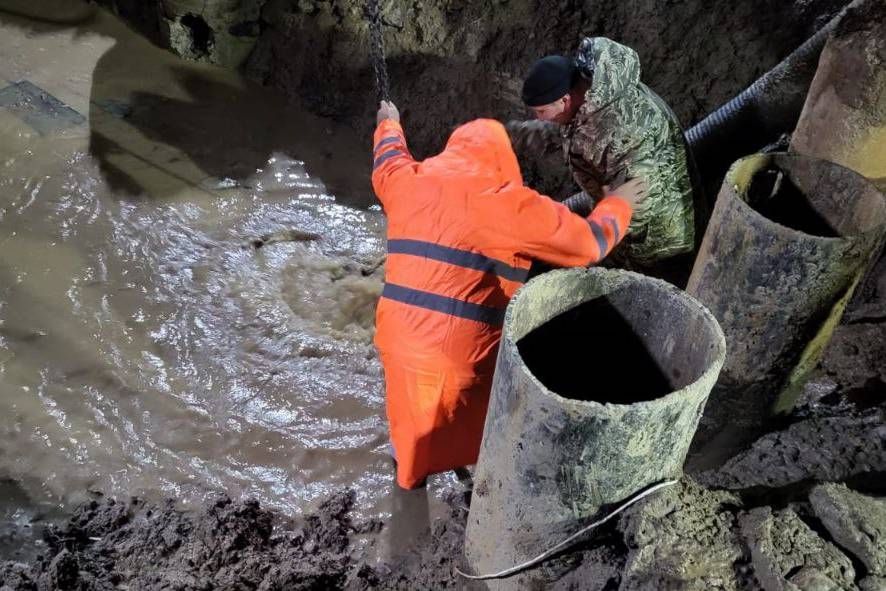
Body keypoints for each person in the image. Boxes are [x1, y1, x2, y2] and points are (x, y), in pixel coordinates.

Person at [371, 100, 647, 489]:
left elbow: (388, 161)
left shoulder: (409, 180)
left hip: (396, 339)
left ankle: (408, 487)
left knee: (411, 430)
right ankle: (480, 488)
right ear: (502, 160)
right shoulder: (509, 203)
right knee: (482, 425)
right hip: (460, 355)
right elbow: (589, 244)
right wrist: (619, 202)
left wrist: (389, 125)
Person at [512, 37, 704, 280]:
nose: (539, 118)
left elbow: (639, 200)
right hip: (634, 215)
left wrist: (590, 238)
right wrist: (524, 133)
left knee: (656, 290)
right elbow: (580, 128)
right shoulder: (596, 90)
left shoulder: (618, 132)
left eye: (541, 112)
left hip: (659, 240)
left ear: (564, 100)